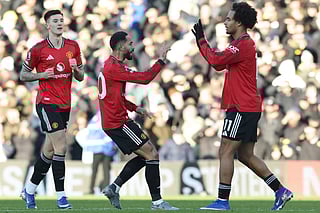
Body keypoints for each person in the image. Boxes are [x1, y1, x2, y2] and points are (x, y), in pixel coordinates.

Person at [192, 2, 293, 211]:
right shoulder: (242, 44)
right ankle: (280, 191)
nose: (225, 22)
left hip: (240, 107)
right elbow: (219, 63)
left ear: (239, 22)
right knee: (245, 155)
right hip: (248, 106)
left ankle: (222, 201)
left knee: (225, 151)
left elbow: (215, 60)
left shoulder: (242, 44)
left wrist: (201, 40)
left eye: (228, 19)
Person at [98, 31, 178, 211]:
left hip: (117, 120)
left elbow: (113, 97)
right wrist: (161, 60)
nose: (133, 47)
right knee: (152, 154)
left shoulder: (112, 65)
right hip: (117, 122)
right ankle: (157, 203)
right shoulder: (114, 68)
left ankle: (114, 188)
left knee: (146, 156)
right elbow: (145, 78)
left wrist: (136, 108)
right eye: (130, 43)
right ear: (120, 47)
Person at [19, 9, 84, 209]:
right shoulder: (38, 49)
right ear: (48, 25)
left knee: (49, 149)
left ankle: (29, 190)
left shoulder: (73, 46)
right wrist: (41, 75)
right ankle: (61, 197)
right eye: (55, 21)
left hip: (65, 104)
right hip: (46, 103)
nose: (59, 23)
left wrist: (77, 71)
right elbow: (23, 75)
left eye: (61, 21)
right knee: (61, 147)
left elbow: (81, 77)